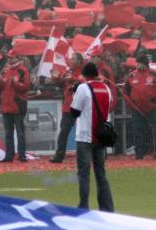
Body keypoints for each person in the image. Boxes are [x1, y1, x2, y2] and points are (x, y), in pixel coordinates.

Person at [70, 63, 115, 212]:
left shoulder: (83, 88)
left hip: (85, 136)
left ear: (85, 75)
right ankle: (107, 207)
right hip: (100, 135)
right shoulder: (106, 88)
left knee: (83, 173)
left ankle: (83, 206)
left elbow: (74, 111)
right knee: (101, 173)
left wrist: (74, 94)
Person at [125, 55, 156, 160]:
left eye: (140, 63)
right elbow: (126, 92)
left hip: (153, 107)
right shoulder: (131, 76)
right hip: (136, 108)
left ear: (145, 64)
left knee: (155, 129)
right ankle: (139, 153)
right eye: (137, 63)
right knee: (138, 130)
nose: (138, 66)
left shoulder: (154, 75)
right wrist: (130, 104)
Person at [50, 53, 85, 163]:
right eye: (70, 59)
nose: (71, 61)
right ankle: (59, 156)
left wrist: (72, 79)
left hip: (81, 107)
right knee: (63, 132)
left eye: (73, 59)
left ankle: (88, 155)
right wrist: (56, 78)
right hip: (68, 107)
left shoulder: (85, 71)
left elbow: (84, 82)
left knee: (85, 132)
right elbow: (61, 84)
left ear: (79, 61)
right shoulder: (68, 71)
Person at [0, 58, 30, 162]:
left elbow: (26, 87)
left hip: (17, 106)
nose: (10, 59)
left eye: (12, 57)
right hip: (6, 106)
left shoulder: (23, 71)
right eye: (9, 57)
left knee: (20, 133)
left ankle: (21, 155)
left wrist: (14, 83)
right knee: (8, 134)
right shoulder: (5, 71)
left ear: (17, 57)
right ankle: (9, 156)